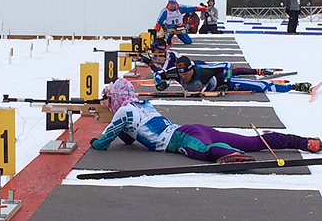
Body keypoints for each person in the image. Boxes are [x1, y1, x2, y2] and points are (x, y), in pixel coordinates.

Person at [90, 78, 321, 163]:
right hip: (192, 128)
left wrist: (99, 129)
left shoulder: (123, 112)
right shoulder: (142, 104)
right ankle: (303, 142)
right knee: (253, 141)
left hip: (180, 138)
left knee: (206, 151)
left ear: (116, 98)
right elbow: (130, 139)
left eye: (110, 98)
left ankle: (229, 155)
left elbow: (103, 143)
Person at [156, 55, 312, 93]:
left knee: (259, 86)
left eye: (186, 73)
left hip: (218, 79)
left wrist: (225, 81)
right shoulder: (176, 73)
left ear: (192, 68)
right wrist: (160, 84)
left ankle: (295, 87)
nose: (183, 76)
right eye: (180, 74)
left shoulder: (203, 71)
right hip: (207, 86)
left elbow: (227, 65)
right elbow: (159, 74)